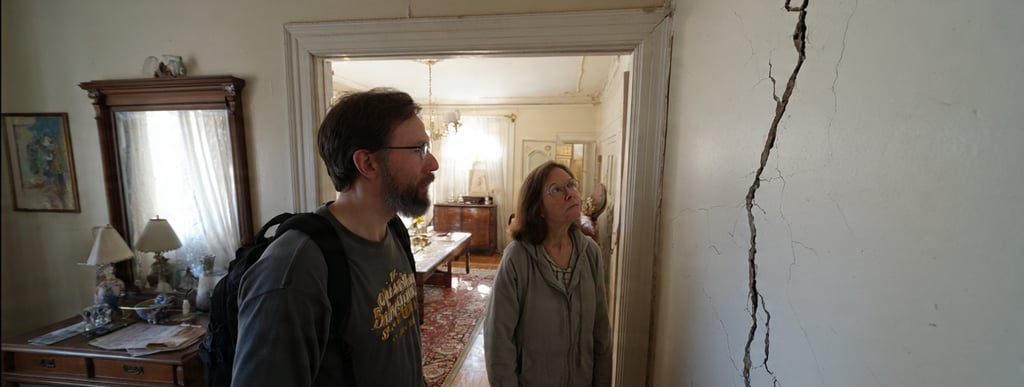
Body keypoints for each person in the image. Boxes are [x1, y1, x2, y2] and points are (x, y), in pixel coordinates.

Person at [232, 88, 438, 386]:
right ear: (367, 164)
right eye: (418, 149)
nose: (432, 163)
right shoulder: (293, 272)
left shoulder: (393, 230)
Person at [484, 161, 612, 387]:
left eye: (571, 185)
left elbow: (601, 333)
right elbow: (498, 342)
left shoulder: (590, 253)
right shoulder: (517, 258)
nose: (570, 193)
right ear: (538, 208)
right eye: (557, 189)